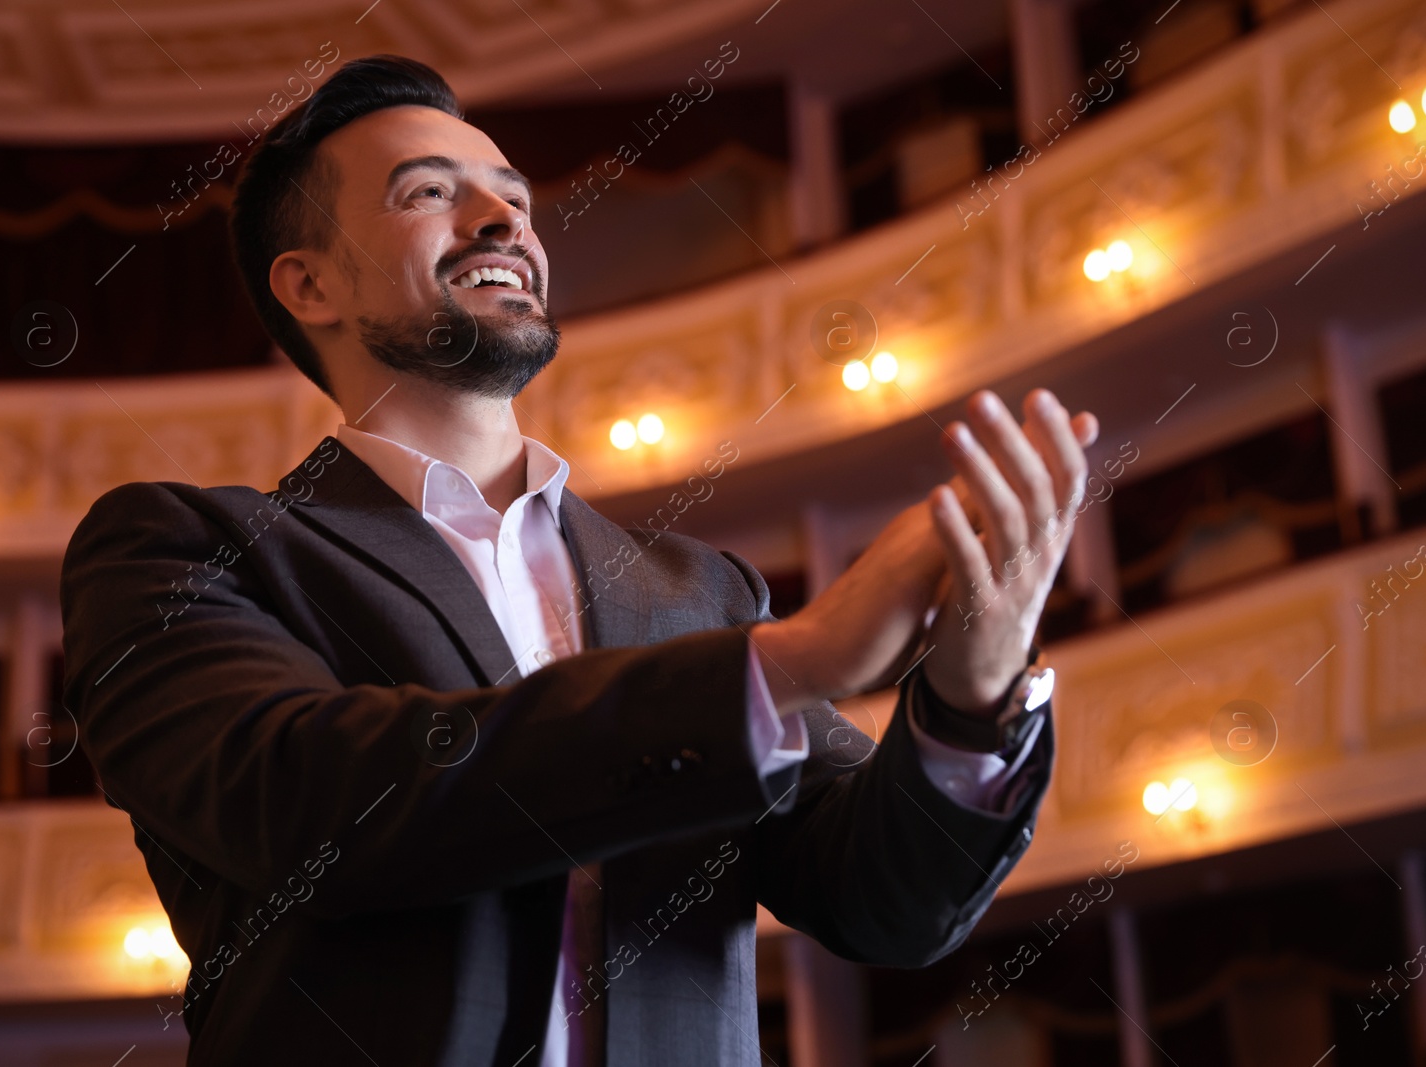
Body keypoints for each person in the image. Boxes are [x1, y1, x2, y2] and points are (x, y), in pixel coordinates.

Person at [61, 54, 1098, 1067]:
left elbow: (885, 902)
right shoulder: (184, 547)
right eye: (429, 192)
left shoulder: (699, 590)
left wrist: (970, 693)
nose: (503, 220)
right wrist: (789, 663)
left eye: (512, 196)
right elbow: (305, 802)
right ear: (311, 284)